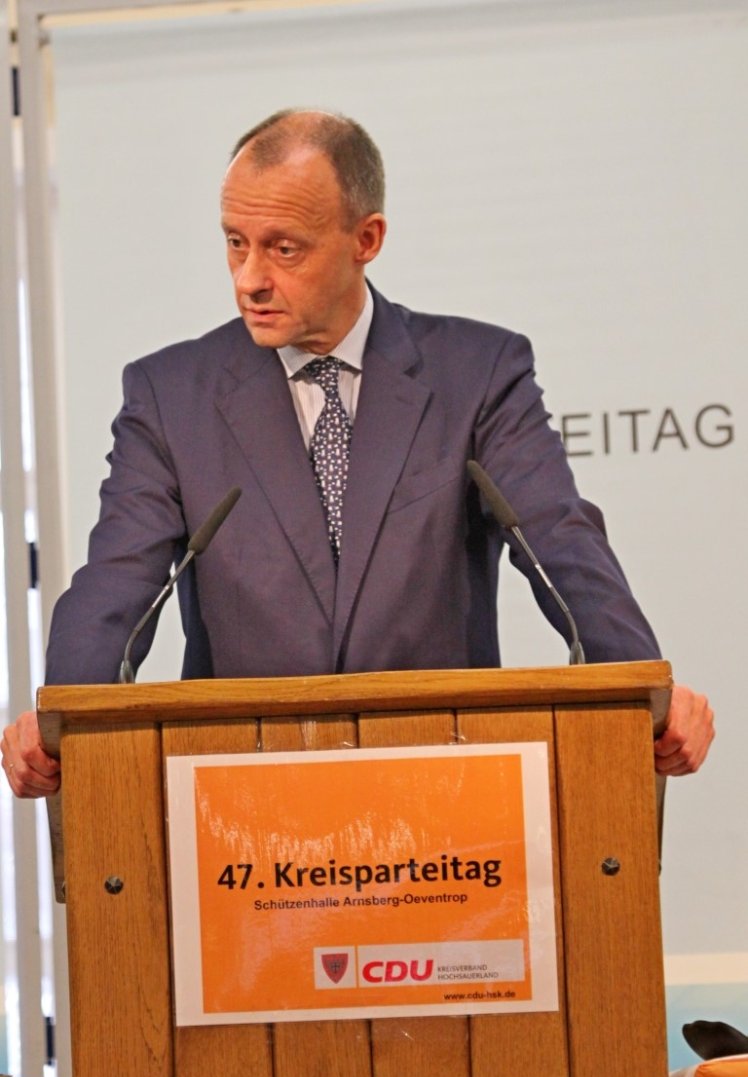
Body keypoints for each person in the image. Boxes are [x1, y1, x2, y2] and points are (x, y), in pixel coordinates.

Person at [1, 109, 714, 798]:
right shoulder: (170, 394)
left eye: (284, 248)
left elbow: (559, 542)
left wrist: (643, 692)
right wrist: (61, 716)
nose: (249, 278)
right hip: (241, 799)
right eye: (235, 242)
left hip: (445, 790)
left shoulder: (477, 374)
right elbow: (118, 580)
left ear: (365, 238)